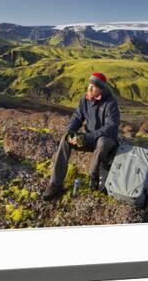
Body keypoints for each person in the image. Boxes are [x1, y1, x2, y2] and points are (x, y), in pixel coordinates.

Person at [42, 72, 120, 201]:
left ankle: (93, 177)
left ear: (100, 89)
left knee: (102, 143)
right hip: (89, 139)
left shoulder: (111, 103)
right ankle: (55, 184)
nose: (89, 89)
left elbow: (111, 126)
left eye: (93, 87)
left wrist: (88, 137)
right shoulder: (85, 99)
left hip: (106, 140)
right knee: (65, 140)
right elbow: (77, 117)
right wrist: (69, 132)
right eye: (89, 85)